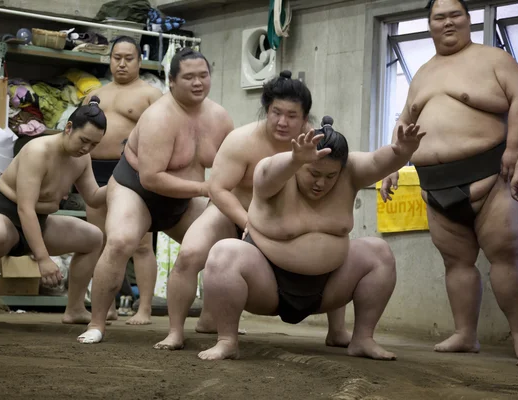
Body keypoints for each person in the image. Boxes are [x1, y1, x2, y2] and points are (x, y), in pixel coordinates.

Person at [197, 117, 426, 361]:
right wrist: (295, 159)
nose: (320, 183)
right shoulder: (276, 171)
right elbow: (267, 172)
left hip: (328, 288)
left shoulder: (350, 172)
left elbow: (377, 161)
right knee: (224, 253)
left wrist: (402, 152)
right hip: (267, 285)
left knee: (378, 252)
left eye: (330, 177)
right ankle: (227, 340)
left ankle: (363, 339)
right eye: (314, 173)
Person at [154, 71, 350, 351]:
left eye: (292, 115)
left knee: (327, 250)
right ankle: (175, 332)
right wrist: (248, 222)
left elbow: (341, 174)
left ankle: (338, 330)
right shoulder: (242, 140)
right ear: (266, 110)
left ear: (305, 117)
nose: (283, 122)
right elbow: (219, 188)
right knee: (190, 253)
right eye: (276, 112)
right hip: (234, 209)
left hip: (288, 217)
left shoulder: (317, 143)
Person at [380, 0, 518, 362]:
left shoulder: (494, 60)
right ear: (429, 24)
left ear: (468, 19)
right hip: (435, 185)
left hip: (492, 176)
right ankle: (465, 334)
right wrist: (391, 163)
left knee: (505, 256)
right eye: (438, 17)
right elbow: (404, 120)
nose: (447, 22)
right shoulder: (423, 74)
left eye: (454, 15)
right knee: (455, 263)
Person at [77, 48, 234, 344]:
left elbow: (236, 163)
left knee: (225, 243)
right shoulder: (159, 116)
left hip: (182, 201)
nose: (198, 82)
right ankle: (96, 323)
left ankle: (212, 318)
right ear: (172, 81)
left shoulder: (219, 118)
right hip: (135, 190)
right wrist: (204, 189)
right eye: (189, 77)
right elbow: (152, 177)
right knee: (121, 241)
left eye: (203, 76)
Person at [0, 97, 109, 336]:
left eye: (93, 145)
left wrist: (121, 181)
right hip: (3, 215)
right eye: (84, 140)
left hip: (40, 221)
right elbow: (25, 208)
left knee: (94, 237)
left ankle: (74, 309)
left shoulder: (82, 159)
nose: (86, 148)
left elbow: (94, 197)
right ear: (68, 128)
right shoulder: (37, 151)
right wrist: (43, 259)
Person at [83, 36, 163, 325]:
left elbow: (164, 135)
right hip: (96, 169)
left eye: (128, 58)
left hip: (132, 171)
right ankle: (108, 307)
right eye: (117, 57)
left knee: (141, 243)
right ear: (109, 59)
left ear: (139, 61)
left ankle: (144, 308)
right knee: (99, 240)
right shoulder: (95, 94)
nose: (122, 63)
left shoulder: (152, 95)